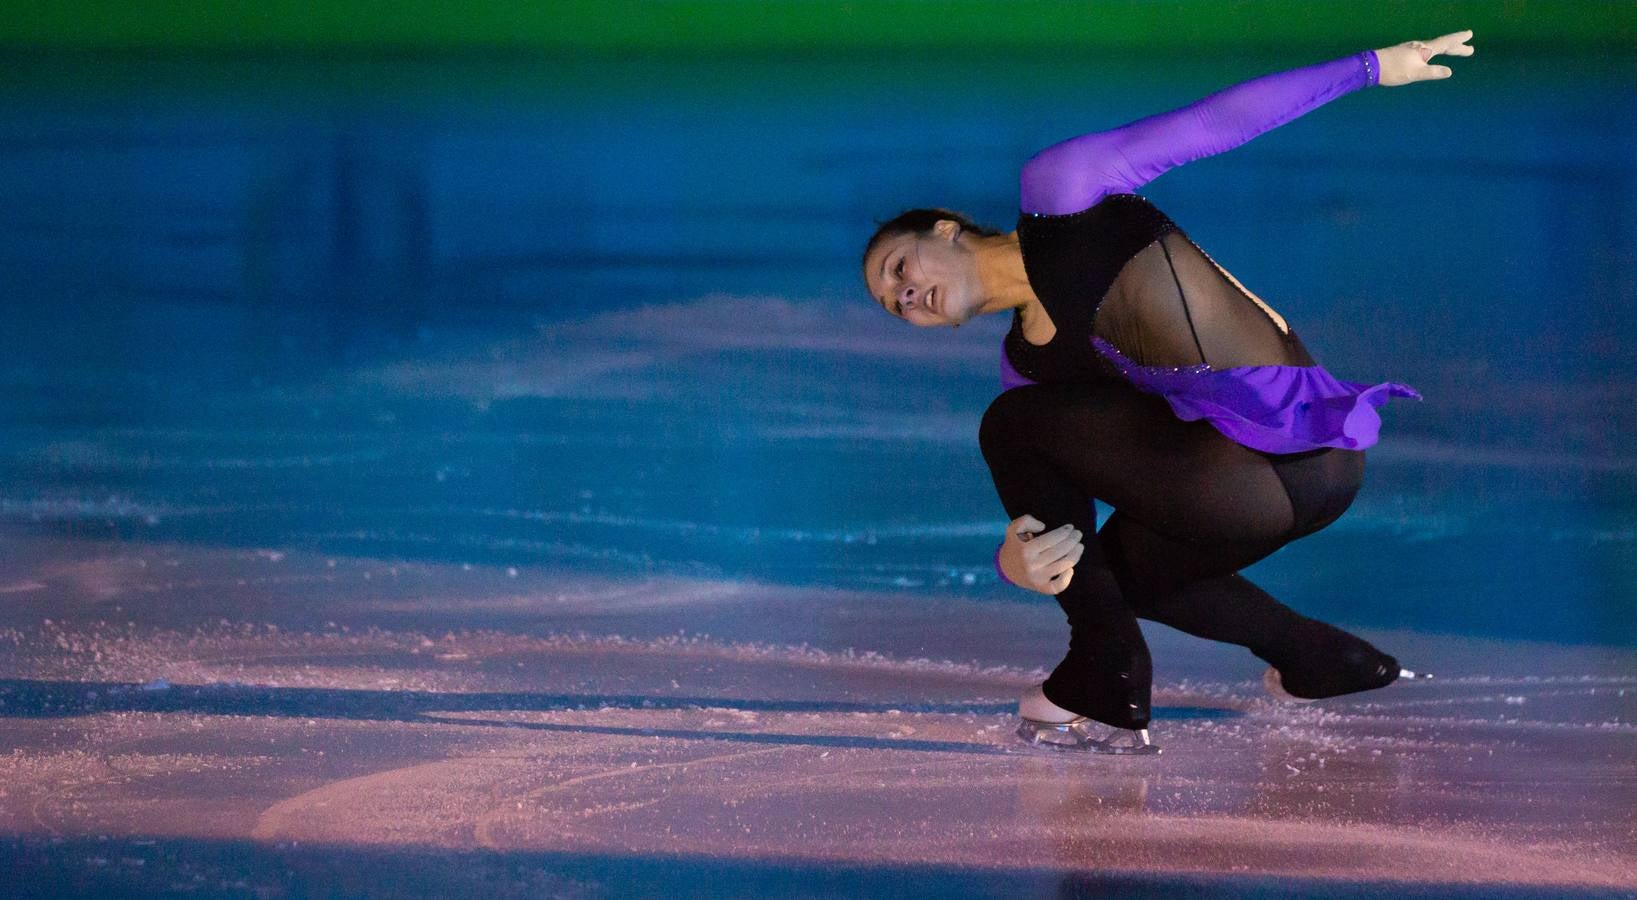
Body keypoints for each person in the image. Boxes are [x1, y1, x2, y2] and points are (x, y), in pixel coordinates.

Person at [860, 32, 1473, 753]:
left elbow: (1211, 123)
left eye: (899, 267)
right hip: (1288, 480)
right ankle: (1318, 656)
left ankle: (1101, 666)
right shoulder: (1031, 369)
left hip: (1287, 454)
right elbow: (1066, 529)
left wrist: (1368, 69)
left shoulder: (1062, 194)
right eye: (893, 301)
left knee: (1011, 428)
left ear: (945, 229)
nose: (905, 293)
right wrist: (1014, 561)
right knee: (1117, 573)